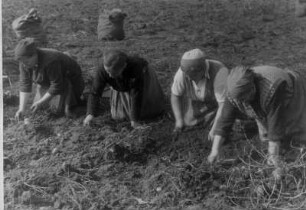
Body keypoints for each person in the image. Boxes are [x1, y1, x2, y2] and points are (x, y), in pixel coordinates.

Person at [208, 65, 306, 166]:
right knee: (266, 137)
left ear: (252, 87)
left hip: (292, 93)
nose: (243, 102)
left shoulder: (270, 88)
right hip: (264, 102)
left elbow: (275, 121)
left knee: (297, 132)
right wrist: (215, 150)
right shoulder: (233, 93)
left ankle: (298, 159)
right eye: (240, 99)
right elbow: (224, 121)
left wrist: (273, 155)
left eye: (245, 97)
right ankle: (278, 154)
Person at [83, 50, 165, 128]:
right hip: (121, 82)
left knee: (147, 113)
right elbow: (95, 92)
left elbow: (136, 94)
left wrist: (134, 121)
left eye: (113, 73)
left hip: (143, 76)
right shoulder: (103, 70)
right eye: (108, 72)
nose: (110, 76)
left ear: (124, 67)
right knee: (118, 116)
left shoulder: (135, 68)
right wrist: (90, 114)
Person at [14, 38, 85, 119]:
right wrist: (21, 109)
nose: (25, 65)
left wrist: (40, 102)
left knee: (57, 112)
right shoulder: (24, 61)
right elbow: (25, 84)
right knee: (40, 109)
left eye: (26, 62)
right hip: (47, 80)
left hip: (69, 81)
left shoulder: (50, 60)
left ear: (34, 55)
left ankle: (73, 99)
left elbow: (57, 85)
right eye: (22, 63)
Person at [171, 49, 229, 139]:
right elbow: (175, 95)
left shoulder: (219, 71)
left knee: (228, 124)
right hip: (200, 101)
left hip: (221, 102)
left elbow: (223, 104)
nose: (188, 78)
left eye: (191, 75)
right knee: (188, 122)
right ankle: (211, 117)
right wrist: (179, 121)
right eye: (186, 74)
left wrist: (215, 130)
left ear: (201, 70)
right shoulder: (182, 73)